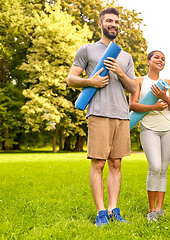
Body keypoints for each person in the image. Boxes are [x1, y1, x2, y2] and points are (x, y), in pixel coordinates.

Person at [66, 7, 137, 226]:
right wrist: (91, 82)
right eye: (109, 21)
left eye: (116, 22)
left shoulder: (125, 56)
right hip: (98, 113)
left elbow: (133, 86)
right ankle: (100, 213)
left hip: (121, 115)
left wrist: (120, 72)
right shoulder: (87, 50)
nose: (113, 24)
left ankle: (113, 209)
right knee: (98, 164)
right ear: (100, 24)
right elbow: (71, 78)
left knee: (116, 163)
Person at [129, 50, 170, 222]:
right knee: (155, 166)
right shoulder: (139, 81)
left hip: (169, 128)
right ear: (148, 61)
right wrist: (153, 107)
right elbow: (133, 105)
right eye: (157, 57)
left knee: (163, 169)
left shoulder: (168, 82)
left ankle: (159, 208)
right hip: (149, 128)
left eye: (163, 58)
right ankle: (151, 211)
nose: (160, 60)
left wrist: (164, 96)